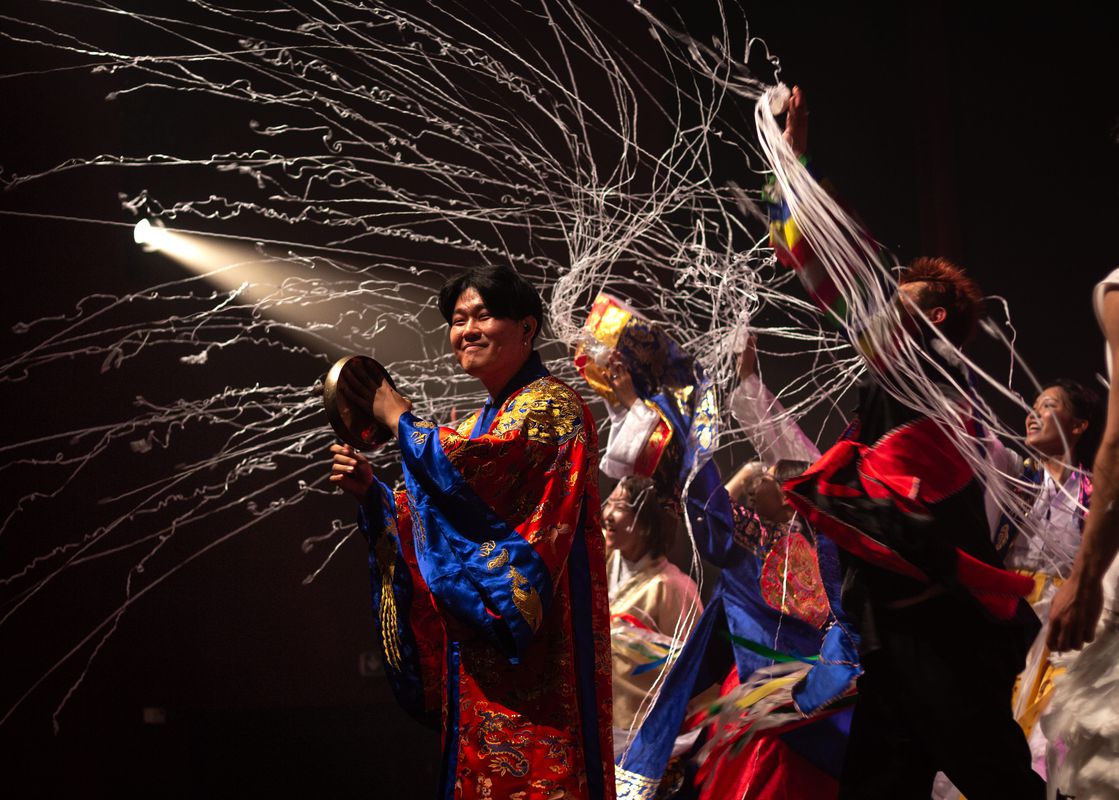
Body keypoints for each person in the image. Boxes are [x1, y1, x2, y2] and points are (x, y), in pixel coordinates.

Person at [768, 86, 1043, 799]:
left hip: (938, 633)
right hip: (899, 633)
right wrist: (788, 176)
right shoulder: (919, 379)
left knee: (998, 781)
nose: (886, 297)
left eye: (904, 294)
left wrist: (796, 166)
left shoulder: (929, 372)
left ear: (936, 317)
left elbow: (842, 268)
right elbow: (829, 269)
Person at [328, 264, 615, 800]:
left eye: (483, 315)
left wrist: (402, 420)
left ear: (526, 327)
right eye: (458, 320)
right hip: (480, 675)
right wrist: (375, 497)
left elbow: (471, 476)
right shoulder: (476, 423)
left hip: (545, 661)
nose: (467, 330)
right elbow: (436, 513)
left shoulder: (553, 405)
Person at [1042, 270, 1119, 799]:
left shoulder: (1088, 489)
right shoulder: (1020, 479)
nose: (1033, 415)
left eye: (1049, 406)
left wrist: (1085, 579)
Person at [602, 475, 702, 758]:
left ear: (646, 523)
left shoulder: (673, 589)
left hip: (635, 733)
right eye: (609, 503)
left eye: (621, 507)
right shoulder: (597, 558)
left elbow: (692, 672)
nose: (608, 514)